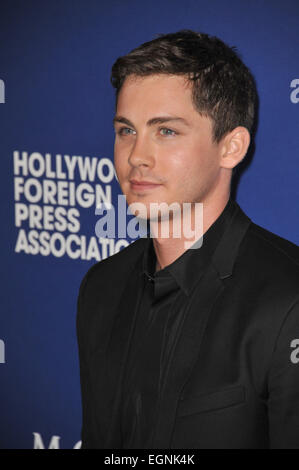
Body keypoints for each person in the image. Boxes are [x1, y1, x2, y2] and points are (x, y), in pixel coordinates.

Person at [76, 29, 299, 449]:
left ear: (231, 147)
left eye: (166, 132)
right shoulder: (100, 288)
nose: (136, 156)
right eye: (126, 130)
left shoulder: (289, 301)